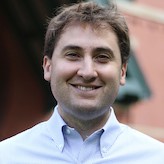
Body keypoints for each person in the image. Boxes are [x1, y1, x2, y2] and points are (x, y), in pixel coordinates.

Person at [0, 1, 164, 163]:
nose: (87, 72)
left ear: (122, 72)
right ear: (48, 67)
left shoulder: (156, 158)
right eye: (73, 55)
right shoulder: (7, 157)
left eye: (102, 57)